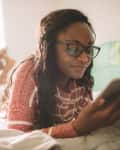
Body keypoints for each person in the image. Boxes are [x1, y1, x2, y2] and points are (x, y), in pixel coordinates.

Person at [6, 9, 120, 138]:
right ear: (49, 48)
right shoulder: (29, 74)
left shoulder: (81, 78)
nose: (85, 58)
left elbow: (84, 117)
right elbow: (16, 138)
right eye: (73, 48)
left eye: (88, 49)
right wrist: (76, 127)